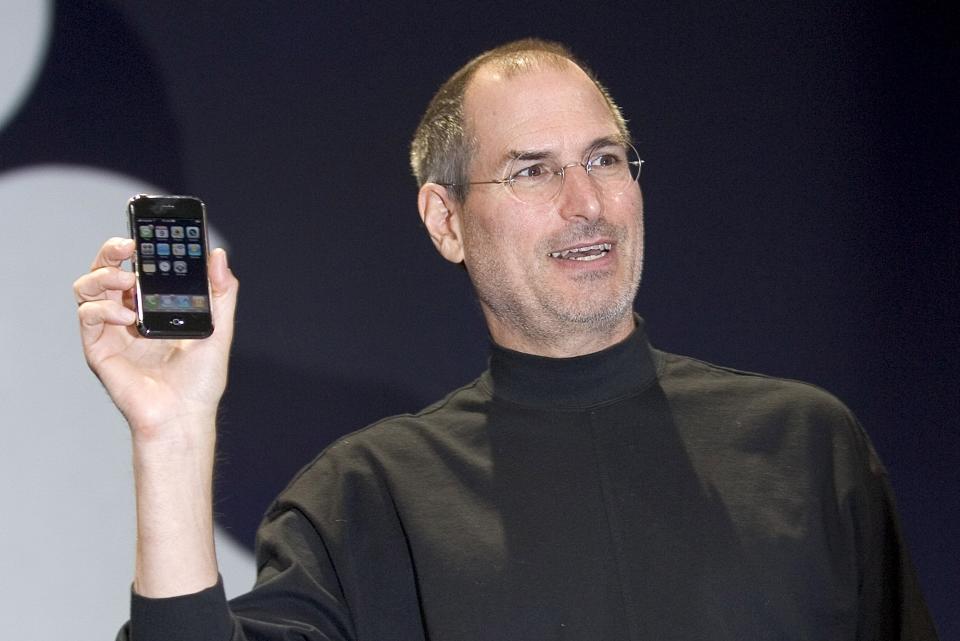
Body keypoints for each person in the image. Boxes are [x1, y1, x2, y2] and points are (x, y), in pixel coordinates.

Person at [75, 39, 938, 641]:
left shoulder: (805, 443)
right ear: (445, 221)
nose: (586, 202)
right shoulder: (368, 500)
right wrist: (172, 436)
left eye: (605, 159)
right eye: (532, 170)